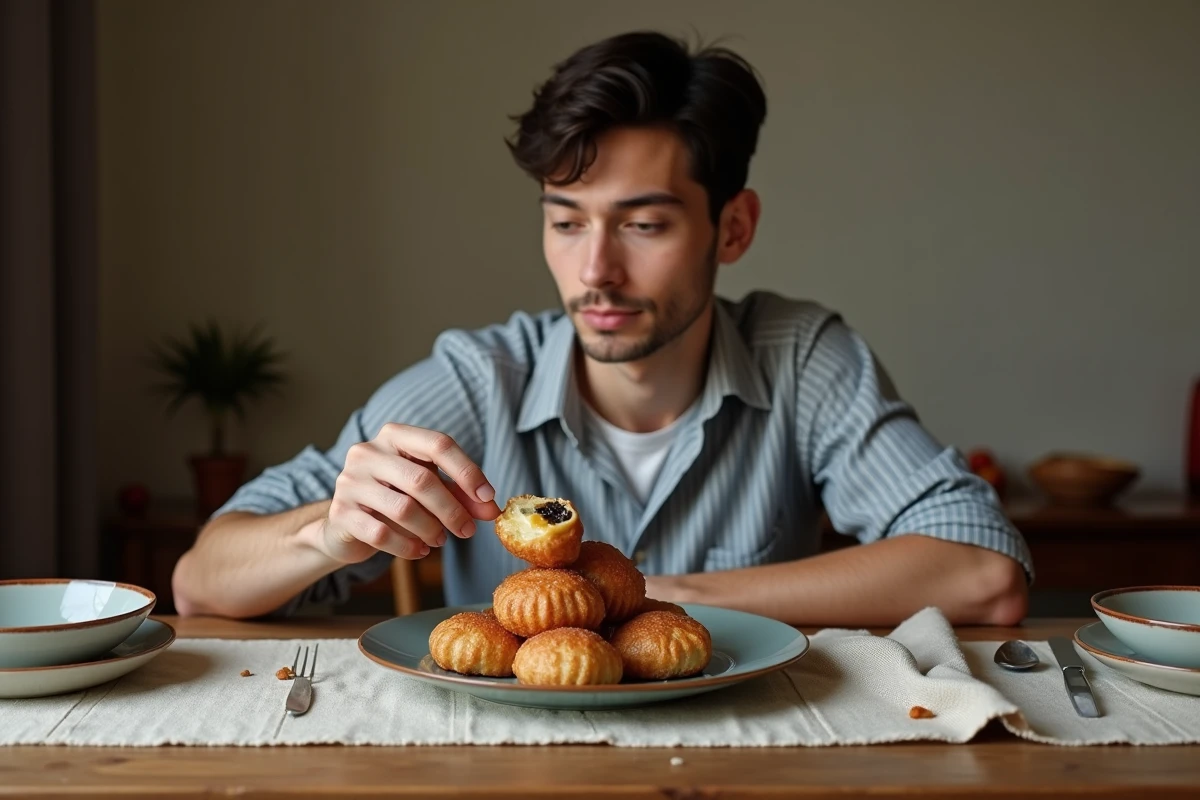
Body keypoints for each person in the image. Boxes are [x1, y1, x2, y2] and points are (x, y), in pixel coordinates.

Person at [172, 31, 1032, 626]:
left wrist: (649, 595)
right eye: (567, 221)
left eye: (644, 224)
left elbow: (983, 575)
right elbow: (202, 584)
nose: (595, 272)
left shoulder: (803, 358)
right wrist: (329, 533)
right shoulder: (477, 381)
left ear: (733, 229)